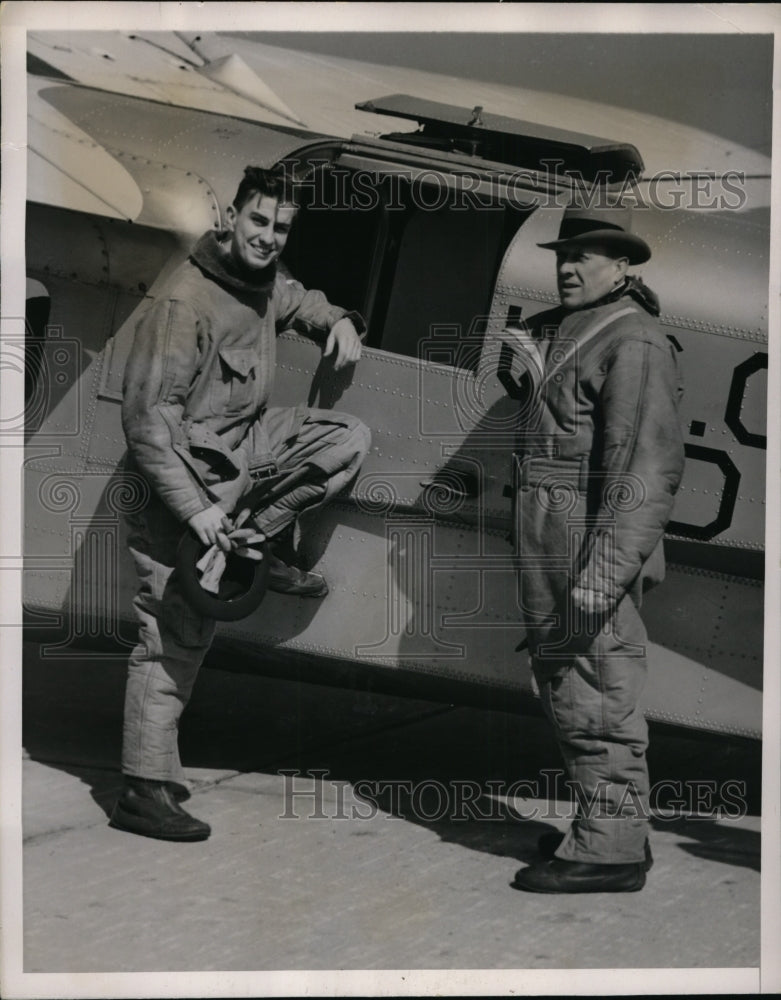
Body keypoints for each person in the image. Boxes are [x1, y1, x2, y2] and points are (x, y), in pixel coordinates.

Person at [110, 166, 371, 842]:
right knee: (174, 636)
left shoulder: (256, 284)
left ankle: (258, 536)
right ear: (231, 216)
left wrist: (336, 319)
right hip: (181, 488)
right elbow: (146, 425)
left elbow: (293, 297)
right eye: (258, 222)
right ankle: (143, 788)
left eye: (281, 228)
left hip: (240, 464)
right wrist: (198, 514)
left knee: (344, 438)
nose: (267, 237)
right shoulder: (185, 303)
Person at [510, 205, 685, 893]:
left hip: (587, 548)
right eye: (564, 253)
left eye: (589, 255)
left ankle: (608, 855)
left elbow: (642, 474)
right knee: (568, 684)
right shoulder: (573, 327)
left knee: (598, 689)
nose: (569, 266)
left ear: (623, 266)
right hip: (554, 541)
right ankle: (609, 830)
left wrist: (598, 579)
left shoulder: (633, 340)